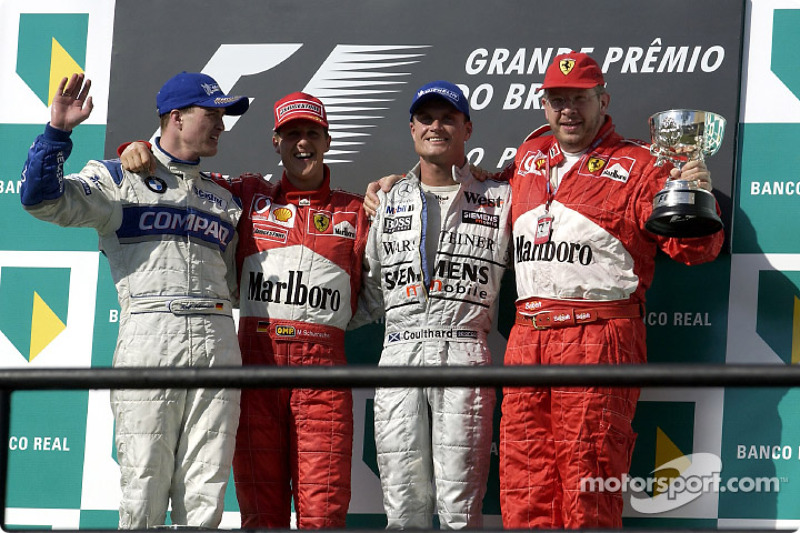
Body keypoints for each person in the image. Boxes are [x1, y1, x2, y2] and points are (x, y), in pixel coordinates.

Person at [494, 51, 724, 528]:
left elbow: (692, 252)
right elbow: (481, 190)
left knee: (589, 484)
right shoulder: (529, 156)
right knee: (525, 485)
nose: (567, 110)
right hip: (527, 336)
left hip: (598, 337)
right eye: (557, 100)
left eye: (579, 98)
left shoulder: (643, 164)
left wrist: (698, 198)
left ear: (603, 99)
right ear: (544, 105)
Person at [120, 91, 369, 528]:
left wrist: (330, 325)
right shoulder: (246, 194)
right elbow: (181, 174)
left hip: (324, 373)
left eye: (312, 133)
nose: (303, 143)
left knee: (324, 511)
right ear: (277, 142)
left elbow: (374, 292)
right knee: (260, 512)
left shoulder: (357, 209)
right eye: (292, 134)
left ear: (328, 140)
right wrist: (133, 148)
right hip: (256, 368)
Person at [20, 71, 249, 528]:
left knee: (205, 494)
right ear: (177, 118)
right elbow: (40, 199)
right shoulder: (117, 178)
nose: (222, 124)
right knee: (143, 485)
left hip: (220, 339)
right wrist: (58, 131)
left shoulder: (225, 196)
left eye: (225, 114)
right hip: (151, 333)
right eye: (212, 114)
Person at [353, 81, 512, 529]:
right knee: (403, 509)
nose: (436, 126)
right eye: (426, 118)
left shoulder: (501, 198)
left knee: (460, 508)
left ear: (468, 128)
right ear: (411, 129)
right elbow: (366, 289)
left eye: (448, 118)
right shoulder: (385, 199)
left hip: (464, 349)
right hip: (399, 350)